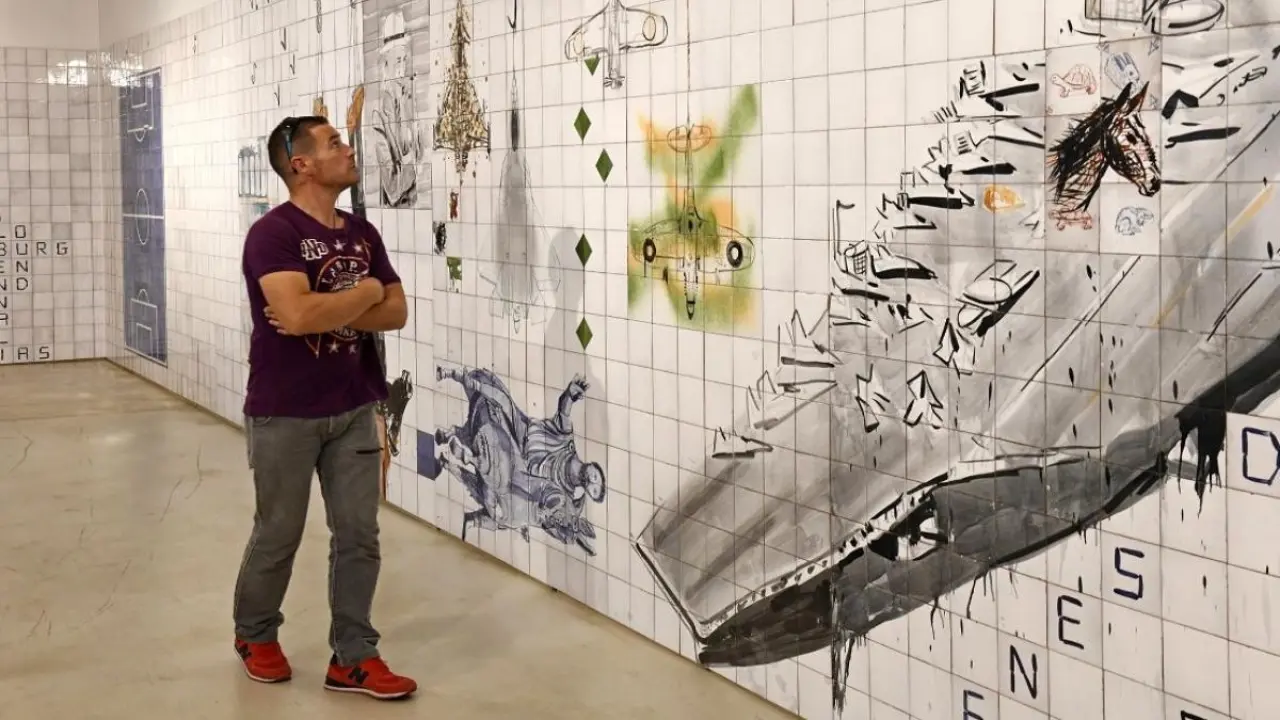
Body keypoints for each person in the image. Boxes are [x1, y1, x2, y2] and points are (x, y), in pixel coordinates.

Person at [232, 115, 416, 700]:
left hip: (355, 405)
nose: (348, 149)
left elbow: (396, 312)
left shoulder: (362, 233)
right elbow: (296, 315)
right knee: (279, 531)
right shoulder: (273, 234)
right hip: (284, 409)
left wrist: (331, 304)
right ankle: (256, 635)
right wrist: (364, 293)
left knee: (359, 535)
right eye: (335, 142)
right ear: (301, 164)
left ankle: (354, 656)